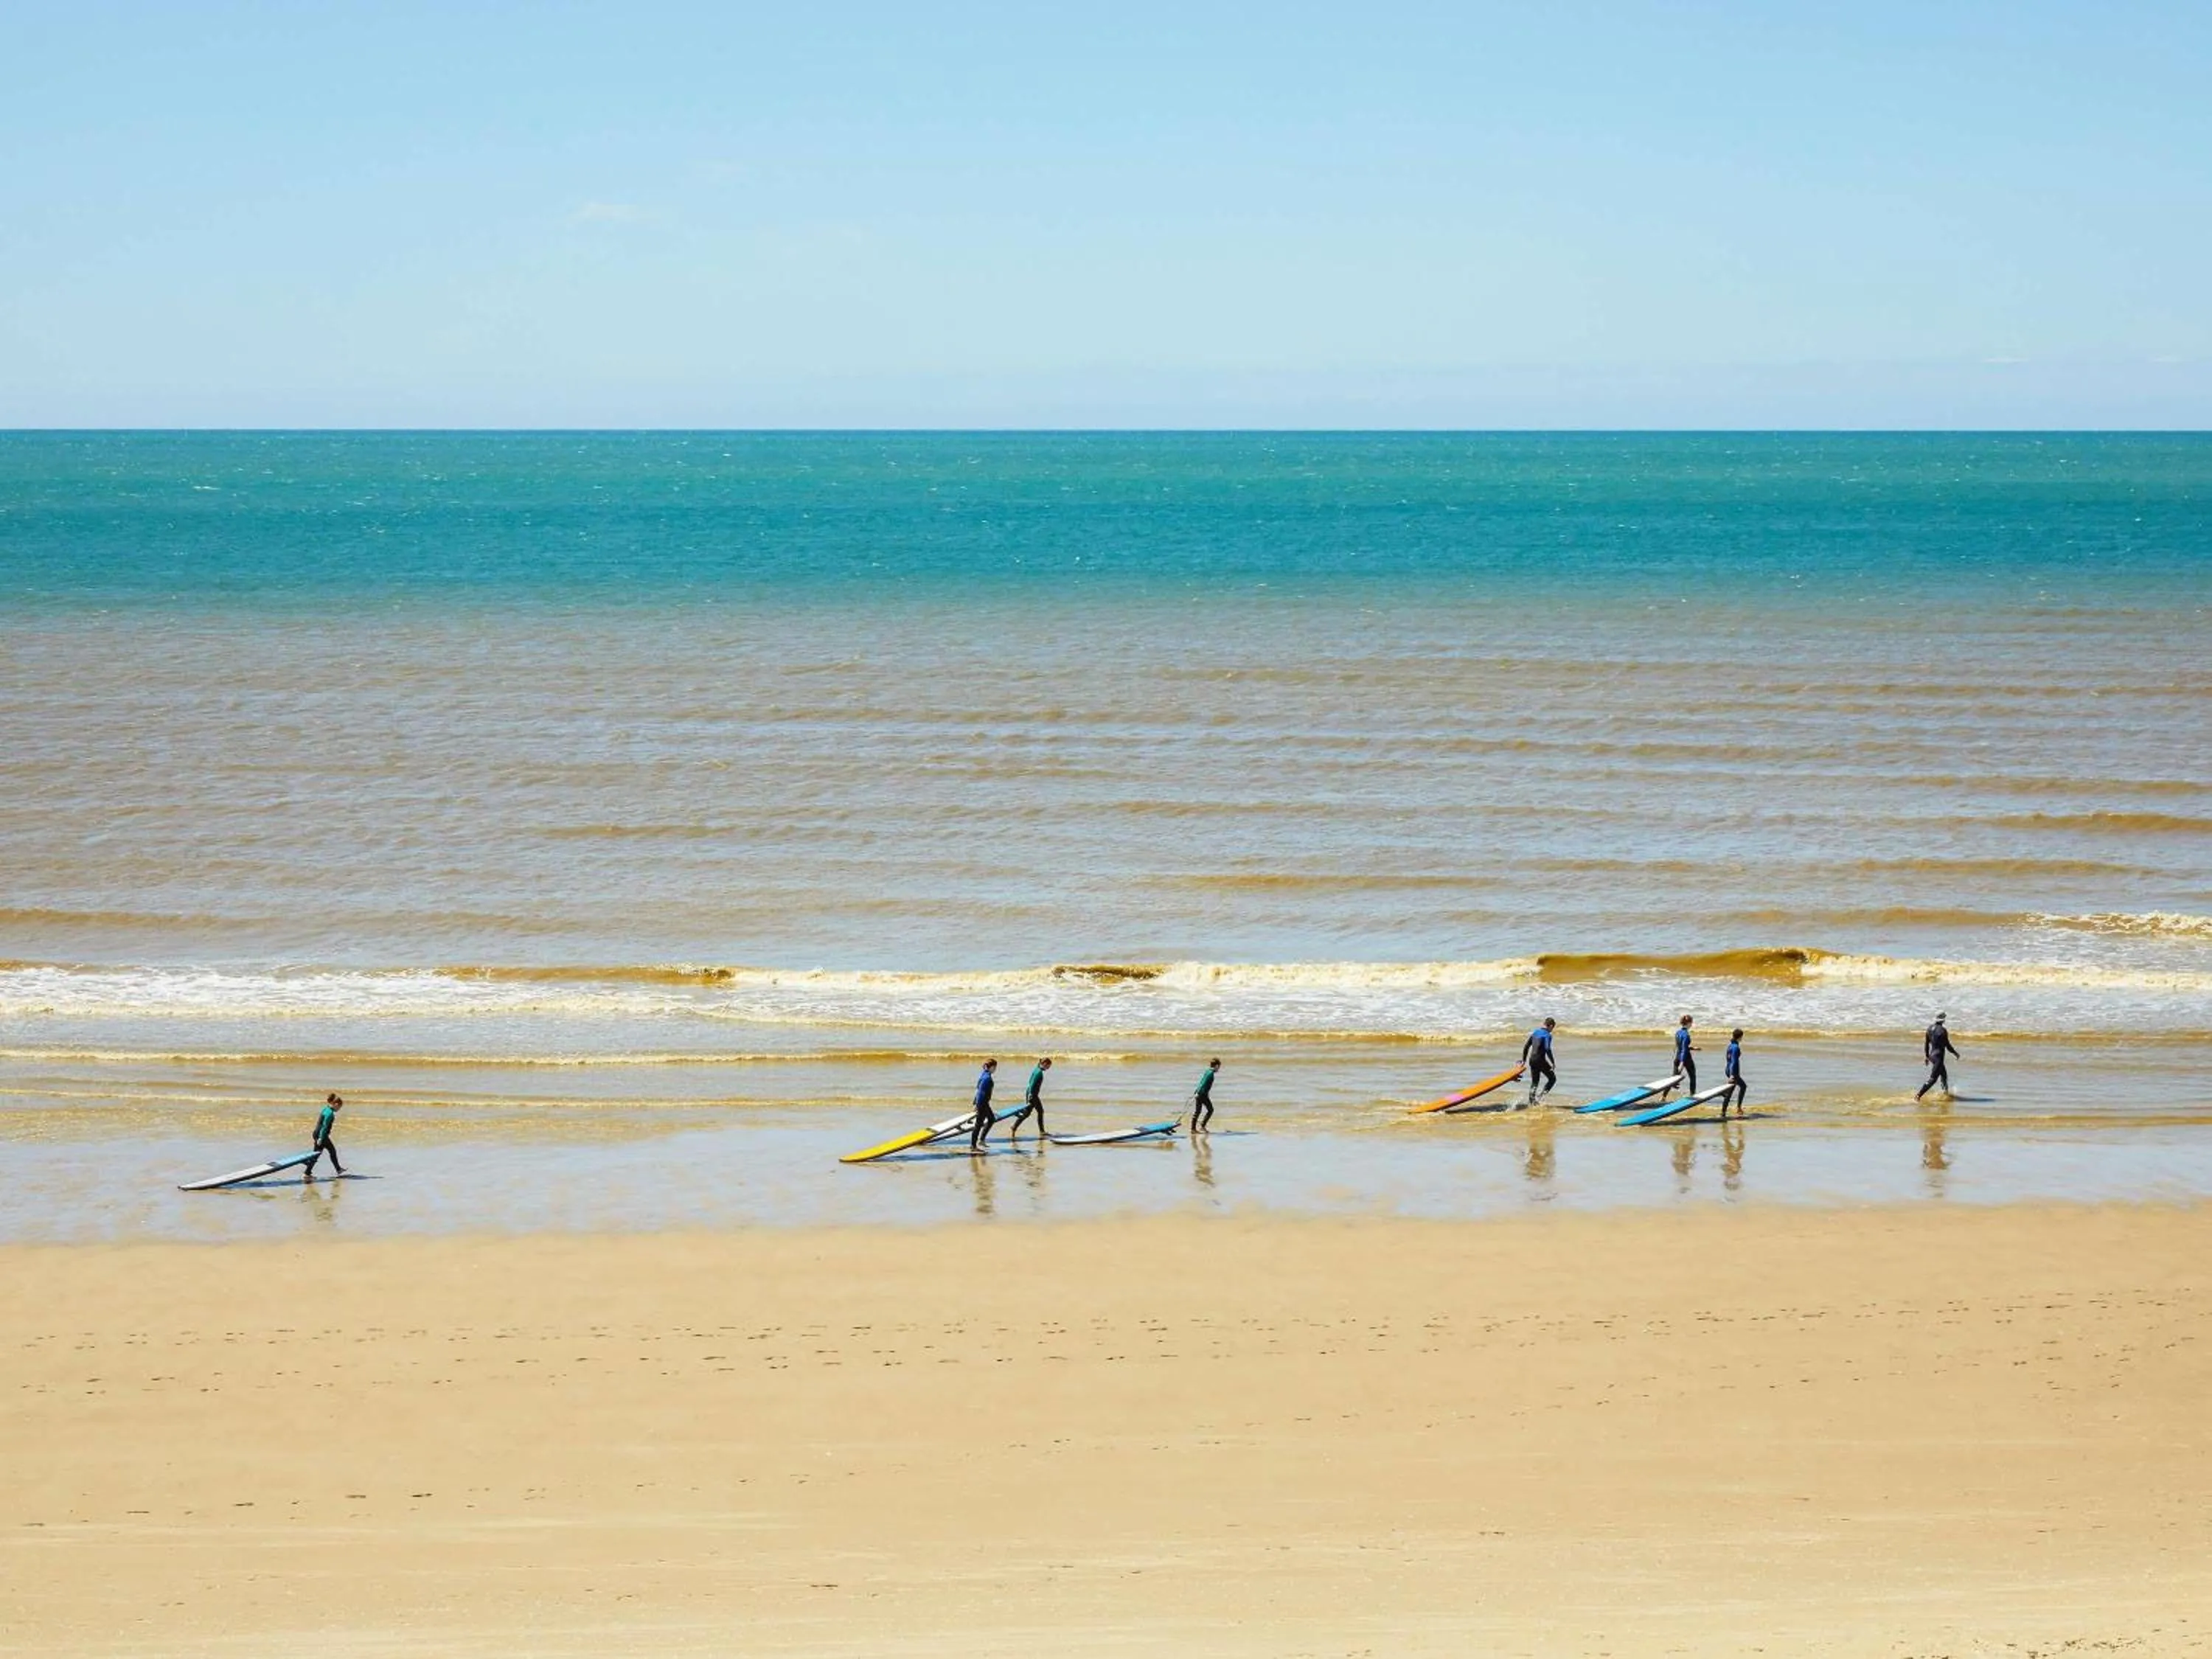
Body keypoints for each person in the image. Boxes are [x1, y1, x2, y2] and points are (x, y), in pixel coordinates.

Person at [1005, 1056, 1051, 1138]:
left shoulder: (1037, 1069)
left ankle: (1015, 1127)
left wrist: (1030, 1094)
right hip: (1033, 1095)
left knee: (1031, 1113)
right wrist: (1030, 1095)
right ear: (1044, 1064)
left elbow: (1030, 1083)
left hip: (1032, 1094)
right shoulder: (1039, 1073)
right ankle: (1041, 1131)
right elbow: (1032, 1084)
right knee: (1036, 1112)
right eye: (1048, 1066)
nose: (1048, 1068)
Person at [1916, 1014, 1961, 1101]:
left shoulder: (1929, 1029)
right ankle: (1918, 1096)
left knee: (1944, 1075)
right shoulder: (1943, 1031)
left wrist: (1927, 1056)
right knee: (1933, 1079)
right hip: (1938, 1057)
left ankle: (1946, 1095)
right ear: (1943, 1020)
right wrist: (1955, 1053)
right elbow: (1947, 1046)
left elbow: (1926, 1044)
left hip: (1932, 1056)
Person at [302, 1092, 345, 1180]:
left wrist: (319, 1137)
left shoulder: (326, 1109)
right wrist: (321, 1138)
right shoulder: (330, 1114)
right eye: (339, 1107)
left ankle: (307, 1173)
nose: (339, 1109)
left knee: (316, 1154)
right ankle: (338, 1169)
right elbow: (325, 1126)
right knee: (331, 1151)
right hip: (322, 1135)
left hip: (316, 1133)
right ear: (336, 1104)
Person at [1521, 1018, 1558, 1107]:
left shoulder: (1536, 1032)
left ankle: (1532, 1101)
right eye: (1552, 1028)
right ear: (1551, 1026)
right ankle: (1540, 1097)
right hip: (1540, 1060)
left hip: (1532, 1060)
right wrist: (1553, 1062)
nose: (1551, 1031)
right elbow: (1547, 1048)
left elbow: (1526, 1046)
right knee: (1552, 1079)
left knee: (1535, 1082)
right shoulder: (1547, 1035)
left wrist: (1524, 1060)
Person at [967, 1058, 999, 1153]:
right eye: (995, 1067)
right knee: (978, 1125)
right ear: (992, 1067)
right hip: (983, 1104)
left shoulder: (984, 1074)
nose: (996, 1069)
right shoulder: (987, 1078)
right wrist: (977, 1105)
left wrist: (975, 1102)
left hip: (984, 1103)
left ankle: (981, 1140)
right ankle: (973, 1146)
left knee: (992, 1119)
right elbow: (981, 1093)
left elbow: (978, 1089)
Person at [1719, 1029, 1748, 1117]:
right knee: (1742, 1087)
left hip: (1728, 1069)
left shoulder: (1731, 1046)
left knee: (1733, 1090)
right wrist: (1732, 1075)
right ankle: (1738, 1108)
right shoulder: (1736, 1047)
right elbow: (1734, 1061)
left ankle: (1724, 1111)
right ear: (1740, 1037)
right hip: (1733, 1072)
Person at [1190, 1058, 1221, 1132]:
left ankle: (1193, 1129)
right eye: (1219, 1067)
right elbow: (1203, 1084)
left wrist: (1196, 1091)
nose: (1219, 1069)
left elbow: (1201, 1082)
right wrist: (1199, 1093)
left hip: (1199, 1093)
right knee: (1211, 1110)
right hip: (1202, 1094)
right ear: (1216, 1066)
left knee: (1198, 1111)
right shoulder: (1211, 1074)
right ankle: (1202, 1126)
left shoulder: (1207, 1071)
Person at [1673, 1015, 1697, 1092]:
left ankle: (1663, 1096)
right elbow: (1684, 1049)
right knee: (1693, 1077)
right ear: (1688, 1023)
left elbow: (1679, 1047)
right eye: (1691, 1022)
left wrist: (1692, 1048)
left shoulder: (1678, 1033)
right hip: (1686, 1058)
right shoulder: (1686, 1035)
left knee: (1672, 1079)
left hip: (1677, 1056)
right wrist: (1682, 1062)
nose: (1692, 1024)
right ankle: (1692, 1095)